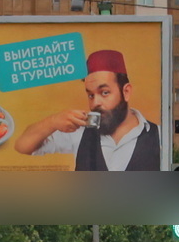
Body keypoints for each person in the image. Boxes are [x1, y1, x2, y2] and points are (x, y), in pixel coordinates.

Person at [13, 49, 161, 171]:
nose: (95, 103)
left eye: (104, 92)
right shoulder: (79, 132)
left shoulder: (159, 136)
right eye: (90, 94)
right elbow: (23, 145)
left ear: (126, 92)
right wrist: (52, 122)